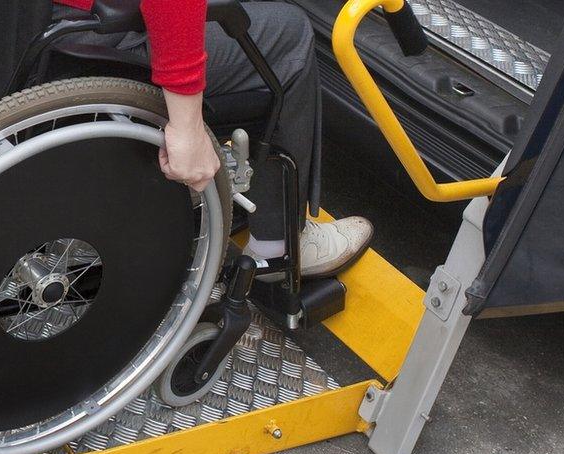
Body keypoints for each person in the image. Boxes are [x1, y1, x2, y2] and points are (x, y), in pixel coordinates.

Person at [53, 0, 373, 278]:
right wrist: (187, 128)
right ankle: (280, 243)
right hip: (95, 43)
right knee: (290, 33)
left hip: (33, 30)